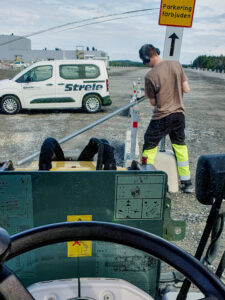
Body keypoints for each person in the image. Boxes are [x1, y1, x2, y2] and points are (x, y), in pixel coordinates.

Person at [139, 44, 193, 193]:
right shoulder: (176, 65)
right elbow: (186, 89)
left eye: (145, 62)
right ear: (157, 52)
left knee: (149, 145)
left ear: (146, 58)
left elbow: (153, 102)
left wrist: (153, 93)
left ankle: (147, 178)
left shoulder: (150, 76)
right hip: (178, 115)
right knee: (180, 146)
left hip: (161, 116)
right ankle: (187, 182)